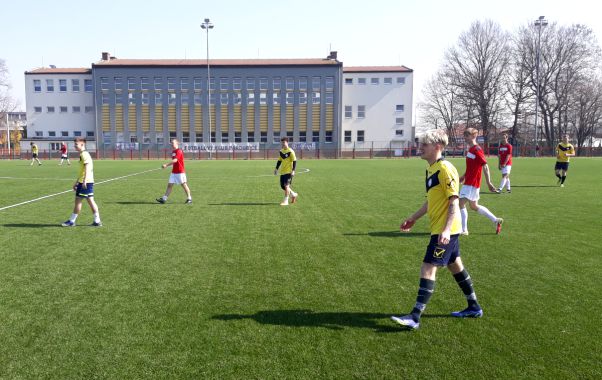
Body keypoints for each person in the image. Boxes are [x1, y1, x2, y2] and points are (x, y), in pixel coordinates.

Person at [391, 129, 483, 330]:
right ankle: (474, 306)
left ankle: (414, 317)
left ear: (438, 147)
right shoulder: (431, 169)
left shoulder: (445, 168)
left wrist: (446, 230)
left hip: (445, 230)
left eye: (425, 144)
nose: (420, 148)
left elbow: (453, 200)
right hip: (442, 229)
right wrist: (413, 219)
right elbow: (430, 201)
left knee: (427, 267)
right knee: (455, 266)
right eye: (420, 144)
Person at [459, 128, 503, 235]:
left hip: (472, 183)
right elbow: (471, 166)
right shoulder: (470, 149)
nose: (465, 137)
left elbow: (485, 166)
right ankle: (495, 220)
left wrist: (489, 183)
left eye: (467, 135)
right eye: (464, 135)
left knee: (460, 204)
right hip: (469, 181)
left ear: (474, 136)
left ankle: (464, 230)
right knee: (474, 206)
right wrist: (464, 176)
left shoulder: (477, 149)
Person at [61, 138, 101, 227]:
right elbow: (82, 170)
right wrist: (76, 182)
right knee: (91, 200)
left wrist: (84, 181)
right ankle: (97, 221)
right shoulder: (83, 154)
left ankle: (72, 221)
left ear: (82, 145)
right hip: (85, 181)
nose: (74, 146)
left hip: (85, 182)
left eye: (76, 144)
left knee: (78, 201)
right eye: (74, 144)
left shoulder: (84, 154)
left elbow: (87, 168)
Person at [156, 139, 192, 204]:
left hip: (180, 172)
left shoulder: (179, 151)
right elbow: (174, 162)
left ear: (177, 143)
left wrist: (166, 165)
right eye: (171, 143)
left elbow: (175, 160)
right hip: (174, 172)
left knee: (184, 185)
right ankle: (164, 199)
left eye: (173, 143)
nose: (172, 144)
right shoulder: (173, 152)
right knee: (169, 185)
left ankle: (189, 198)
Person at [273, 137, 298, 206]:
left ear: (287, 142)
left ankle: (286, 201)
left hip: (289, 172)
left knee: (286, 186)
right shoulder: (281, 151)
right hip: (283, 172)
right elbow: (279, 160)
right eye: (282, 143)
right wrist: (276, 169)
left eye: (284, 142)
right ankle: (293, 194)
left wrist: (293, 171)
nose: (283, 144)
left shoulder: (291, 151)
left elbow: (295, 161)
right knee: (283, 186)